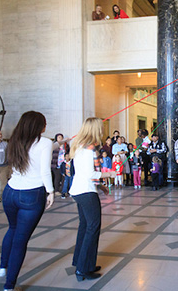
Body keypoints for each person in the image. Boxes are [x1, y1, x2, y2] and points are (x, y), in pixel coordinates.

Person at [0, 111, 55, 291]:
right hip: (31, 195)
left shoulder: (14, 140)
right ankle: (9, 285)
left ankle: (2, 268)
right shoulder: (45, 142)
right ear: (40, 126)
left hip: (10, 192)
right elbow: (45, 170)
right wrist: (51, 191)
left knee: (12, 229)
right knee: (20, 241)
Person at [69, 117, 115, 282]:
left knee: (85, 226)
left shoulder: (80, 147)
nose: (102, 131)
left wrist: (100, 186)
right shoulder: (88, 151)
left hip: (80, 190)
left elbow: (83, 174)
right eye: (100, 128)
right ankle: (83, 269)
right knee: (92, 228)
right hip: (86, 193)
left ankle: (82, 262)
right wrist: (108, 174)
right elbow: (89, 174)